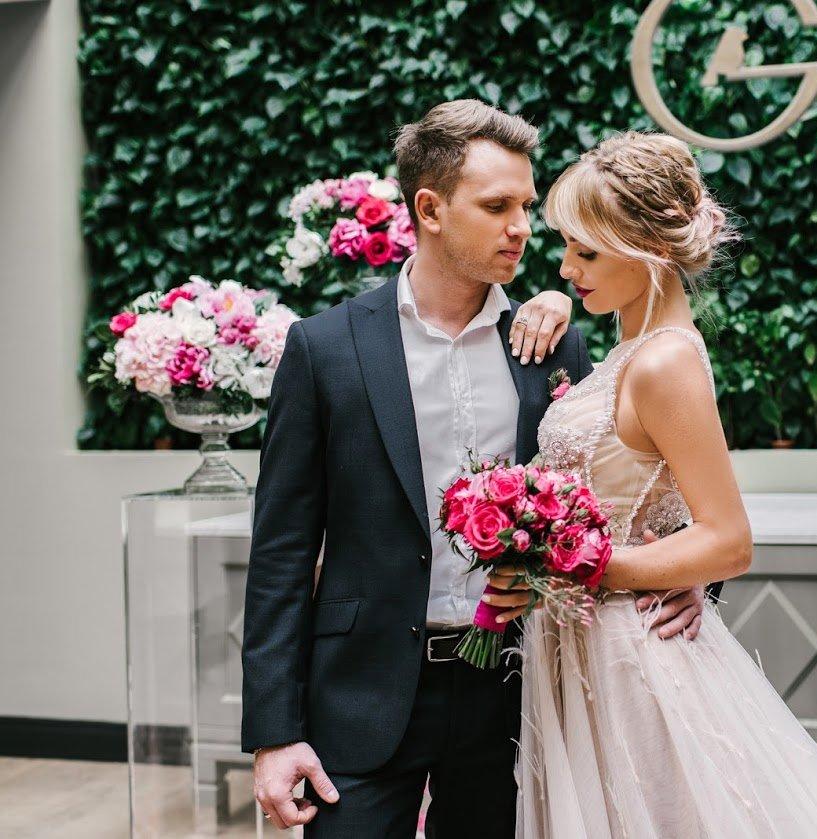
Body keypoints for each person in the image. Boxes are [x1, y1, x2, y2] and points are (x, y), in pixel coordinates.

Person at [240, 101, 708, 837]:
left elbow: (634, 481)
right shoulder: (324, 350)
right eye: (497, 207)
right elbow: (281, 552)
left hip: (518, 698)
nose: (522, 227)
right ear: (429, 209)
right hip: (360, 697)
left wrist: (685, 572)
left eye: (525, 205)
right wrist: (274, 733)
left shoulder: (555, 346)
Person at [496, 132, 817, 837]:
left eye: (585, 252)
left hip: (629, 653)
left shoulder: (664, 363)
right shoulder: (632, 351)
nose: (565, 267)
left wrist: (565, 567)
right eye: (566, 247)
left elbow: (728, 541)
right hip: (587, 643)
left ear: (646, 251)